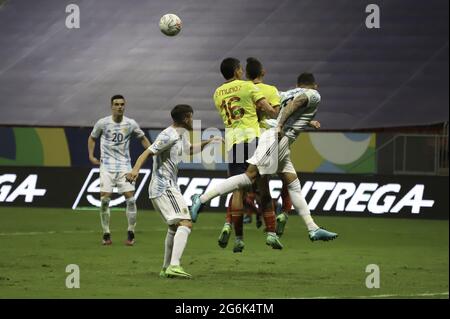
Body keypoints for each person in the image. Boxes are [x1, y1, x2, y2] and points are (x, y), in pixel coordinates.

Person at [191, 73, 338, 242]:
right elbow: (292, 107)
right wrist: (280, 125)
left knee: (293, 183)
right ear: (315, 86)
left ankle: (313, 228)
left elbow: (276, 109)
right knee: (250, 176)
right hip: (275, 139)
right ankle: (201, 199)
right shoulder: (313, 95)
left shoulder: (285, 93)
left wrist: (305, 122)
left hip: (283, 143)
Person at [127, 104, 222, 278]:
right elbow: (147, 153)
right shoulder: (168, 135)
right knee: (186, 223)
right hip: (164, 187)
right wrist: (135, 170)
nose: (193, 120)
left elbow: (189, 150)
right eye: (191, 117)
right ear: (186, 118)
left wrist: (209, 141)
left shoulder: (181, 134)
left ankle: (165, 268)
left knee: (173, 227)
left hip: (169, 186)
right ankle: (175, 265)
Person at [210, 57, 281, 253]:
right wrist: (272, 110)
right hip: (252, 140)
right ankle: (271, 233)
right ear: (237, 71)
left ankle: (239, 238)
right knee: (263, 184)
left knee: (237, 190)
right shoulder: (248, 87)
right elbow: (270, 110)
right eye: (240, 69)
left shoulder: (217, 93)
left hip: (233, 143)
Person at [88, 94, 151, 246]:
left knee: (131, 199)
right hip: (107, 166)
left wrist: (151, 150)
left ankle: (131, 232)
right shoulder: (103, 123)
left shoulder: (130, 123)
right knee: (104, 200)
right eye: (116, 104)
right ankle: (106, 233)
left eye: (122, 104)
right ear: (111, 106)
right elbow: (92, 138)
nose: (119, 107)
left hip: (124, 166)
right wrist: (91, 155)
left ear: (125, 106)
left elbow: (142, 137)